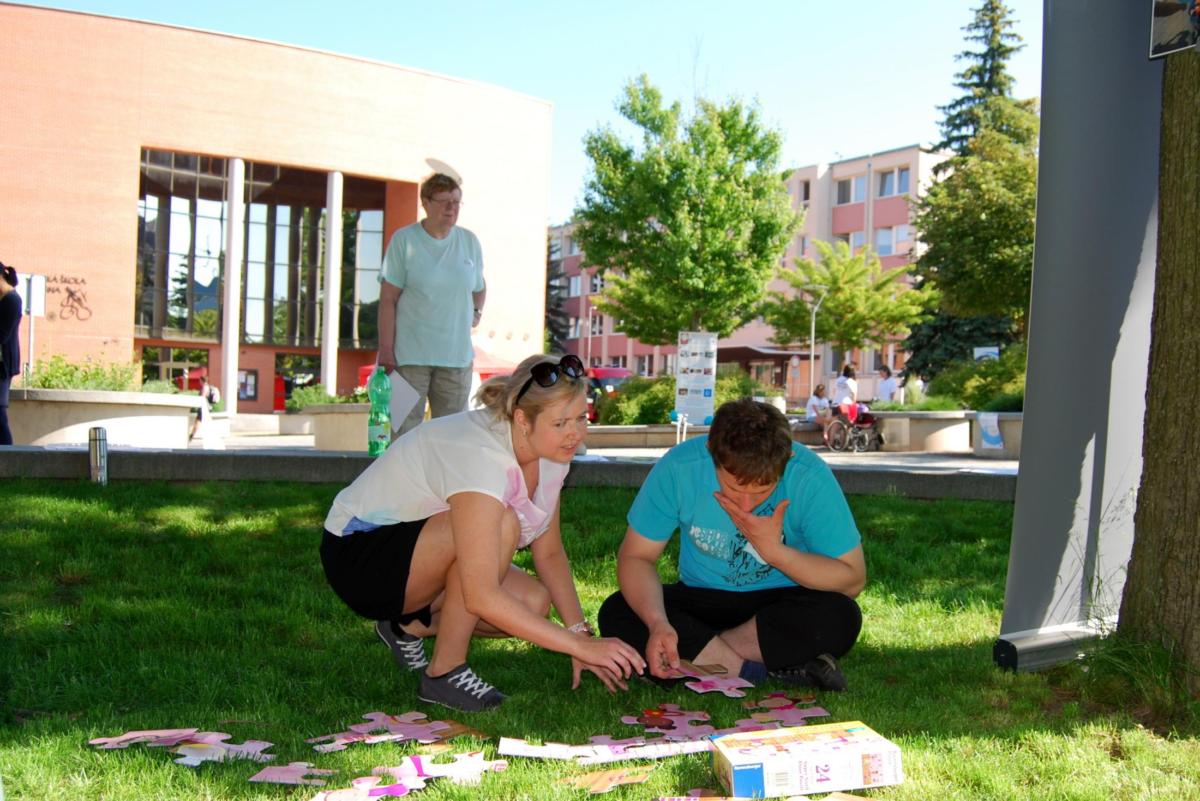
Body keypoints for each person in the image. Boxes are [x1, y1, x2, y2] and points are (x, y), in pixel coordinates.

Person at [320, 353, 645, 712]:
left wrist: (577, 633)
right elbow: (480, 594)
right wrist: (580, 649)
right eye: (561, 423)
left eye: (581, 418)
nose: (575, 433)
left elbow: (549, 552)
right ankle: (444, 672)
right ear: (523, 419)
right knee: (502, 524)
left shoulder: (551, 452)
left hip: (416, 550)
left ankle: (406, 627)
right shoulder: (481, 456)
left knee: (534, 605)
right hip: (362, 556)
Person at [598, 398, 865, 691]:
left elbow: (851, 579)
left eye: (763, 490)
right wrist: (658, 623)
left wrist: (775, 552)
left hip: (781, 600)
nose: (747, 504)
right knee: (617, 611)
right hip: (702, 598)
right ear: (713, 453)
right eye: (735, 488)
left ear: (786, 459)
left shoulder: (808, 475)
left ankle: (699, 658)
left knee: (841, 615)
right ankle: (758, 669)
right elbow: (636, 558)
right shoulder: (679, 467)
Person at [376, 172, 486, 436]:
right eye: (445, 200)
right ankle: (402, 479)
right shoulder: (404, 241)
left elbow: (479, 287)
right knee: (402, 434)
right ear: (426, 202)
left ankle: (445, 481)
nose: (452, 208)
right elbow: (388, 299)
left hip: (456, 360)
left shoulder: (469, 242)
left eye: (457, 201)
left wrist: (475, 314)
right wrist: (386, 350)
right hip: (408, 358)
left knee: (451, 438)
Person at [0, 262, 24, 446]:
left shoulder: (12, 300)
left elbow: (2, 334)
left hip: (3, 365)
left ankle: (9, 457)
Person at [189, 376, 220, 441]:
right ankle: (192, 435)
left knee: (198, 421)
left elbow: (202, 397)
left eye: (199, 380)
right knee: (201, 421)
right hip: (206, 407)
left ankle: (191, 435)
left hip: (203, 407)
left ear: (202, 380)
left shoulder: (205, 387)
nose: (199, 382)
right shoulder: (207, 386)